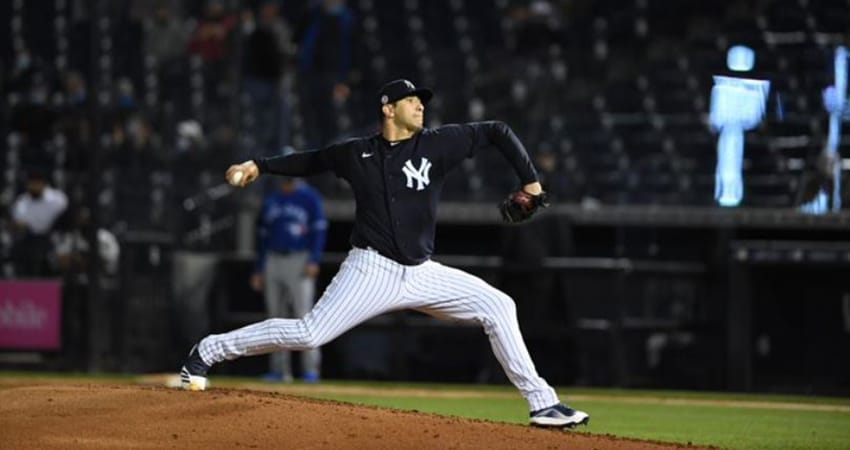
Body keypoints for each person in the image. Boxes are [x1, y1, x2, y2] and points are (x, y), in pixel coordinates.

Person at [180, 79, 590, 429]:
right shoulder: (357, 153)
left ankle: (543, 404)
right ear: (388, 108)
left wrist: (531, 184)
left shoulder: (438, 145)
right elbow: (311, 161)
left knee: (499, 305)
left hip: (422, 271)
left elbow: (498, 131)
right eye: (412, 101)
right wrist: (260, 165)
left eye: (422, 101)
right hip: (371, 269)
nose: (420, 106)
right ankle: (208, 351)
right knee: (309, 334)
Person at [252, 176, 327, 383]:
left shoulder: (309, 197)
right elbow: (262, 236)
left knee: (305, 317)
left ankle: (311, 370)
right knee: (275, 317)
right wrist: (259, 268)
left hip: (299, 258)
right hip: (273, 259)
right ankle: (279, 370)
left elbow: (319, 231)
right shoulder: (272, 199)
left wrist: (314, 259)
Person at [10, 170, 68, 276]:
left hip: (52, 238)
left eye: (37, 183)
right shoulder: (22, 202)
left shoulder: (57, 199)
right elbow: (18, 223)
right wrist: (19, 225)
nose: (34, 186)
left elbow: (66, 218)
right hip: (30, 239)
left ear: (43, 183)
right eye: (31, 183)